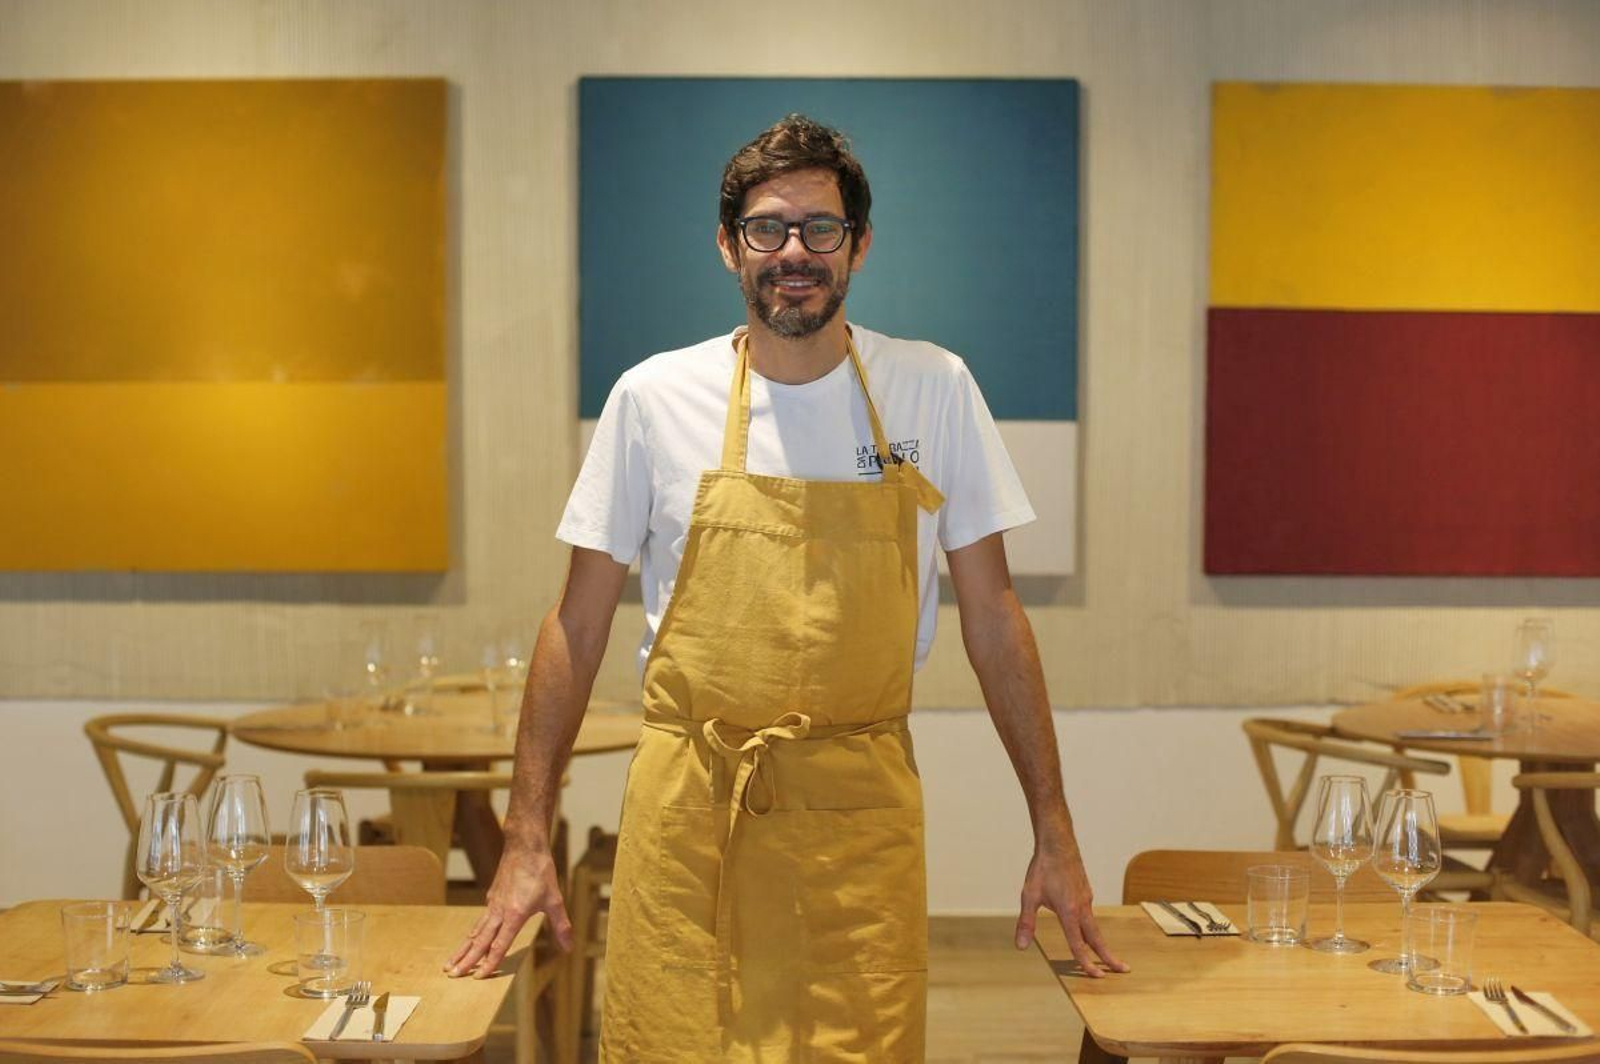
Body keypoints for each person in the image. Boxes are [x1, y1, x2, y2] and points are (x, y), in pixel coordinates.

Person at [447, 113, 1125, 1060]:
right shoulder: (652, 400)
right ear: (729, 246)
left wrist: (1054, 830)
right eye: (767, 228)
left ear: (861, 244)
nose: (794, 252)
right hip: (691, 820)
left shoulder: (933, 388)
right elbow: (578, 624)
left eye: (821, 227)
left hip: (859, 822)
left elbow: (994, 618)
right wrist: (524, 838)